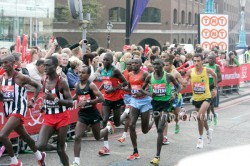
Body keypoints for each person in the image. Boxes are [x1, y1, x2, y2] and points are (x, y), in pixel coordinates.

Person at [0, 54, 46, 166]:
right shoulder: (2, 78)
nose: (4, 65)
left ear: (13, 63)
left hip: (19, 108)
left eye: (6, 62)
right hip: (8, 110)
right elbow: (3, 96)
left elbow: (38, 86)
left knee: (2, 136)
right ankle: (40, 156)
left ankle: (15, 161)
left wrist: (33, 100)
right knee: (25, 136)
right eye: (2, 63)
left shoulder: (20, 77)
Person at [71, 65, 115, 166]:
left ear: (88, 74)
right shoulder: (77, 85)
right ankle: (76, 162)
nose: (80, 74)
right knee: (77, 137)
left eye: (83, 73)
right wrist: (68, 100)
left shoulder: (91, 85)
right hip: (82, 115)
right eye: (79, 72)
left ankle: (108, 128)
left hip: (93, 114)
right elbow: (76, 96)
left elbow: (101, 98)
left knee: (98, 137)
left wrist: (88, 102)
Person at [36, 56, 73, 166]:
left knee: (60, 150)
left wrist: (54, 99)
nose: (45, 67)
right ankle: (50, 151)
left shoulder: (62, 82)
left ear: (55, 66)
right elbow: (45, 96)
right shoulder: (44, 79)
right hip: (49, 117)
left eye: (48, 65)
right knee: (39, 145)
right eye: (44, 65)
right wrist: (43, 105)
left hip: (62, 117)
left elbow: (70, 102)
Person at [143, 58, 180, 165]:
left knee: (160, 128)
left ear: (163, 65)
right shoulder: (150, 76)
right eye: (154, 64)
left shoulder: (168, 76)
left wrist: (174, 94)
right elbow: (142, 89)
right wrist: (150, 94)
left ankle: (157, 156)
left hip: (166, 104)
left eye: (158, 64)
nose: (156, 66)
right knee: (158, 126)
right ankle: (169, 117)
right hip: (155, 104)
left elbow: (178, 86)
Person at [186, 53, 217, 149]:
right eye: (195, 61)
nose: (196, 63)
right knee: (202, 118)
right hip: (196, 98)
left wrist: (215, 88)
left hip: (206, 97)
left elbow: (214, 75)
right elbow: (185, 81)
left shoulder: (206, 70)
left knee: (199, 116)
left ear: (202, 61)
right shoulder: (190, 71)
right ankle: (208, 131)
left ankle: (200, 139)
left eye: (198, 61)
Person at [99, 52, 128, 155]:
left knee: (117, 123)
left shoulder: (115, 71)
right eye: (104, 59)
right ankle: (106, 147)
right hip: (106, 99)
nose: (105, 61)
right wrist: (99, 90)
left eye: (107, 60)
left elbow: (125, 83)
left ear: (112, 61)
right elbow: (104, 81)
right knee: (105, 120)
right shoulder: (102, 70)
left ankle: (125, 113)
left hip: (116, 98)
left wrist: (113, 89)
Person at [126, 58, 154, 161]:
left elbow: (152, 86)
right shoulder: (129, 74)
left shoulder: (145, 74)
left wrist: (142, 93)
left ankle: (153, 121)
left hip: (145, 101)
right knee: (131, 125)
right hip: (134, 101)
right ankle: (135, 151)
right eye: (132, 63)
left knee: (145, 130)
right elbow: (130, 88)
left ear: (140, 64)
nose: (133, 65)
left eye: (136, 63)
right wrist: (123, 88)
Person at [163, 58, 186, 142]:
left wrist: (175, 93)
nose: (165, 67)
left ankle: (177, 123)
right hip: (166, 97)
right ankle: (165, 137)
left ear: (171, 65)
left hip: (176, 97)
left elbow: (183, 85)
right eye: (164, 65)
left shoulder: (176, 73)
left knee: (176, 114)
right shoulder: (162, 73)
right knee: (165, 117)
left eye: (167, 65)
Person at [117, 58, 132, 143]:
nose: (129, 66)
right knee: (128, 116)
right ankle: (124, 135)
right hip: (127, 95)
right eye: (128, 64)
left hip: (136, 96)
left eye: (131, 64)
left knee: (130, 116)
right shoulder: (124, 72)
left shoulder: (136, 73)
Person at [206, 54, 222, 125]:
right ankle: (214, 115)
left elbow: (220, 79)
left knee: (210, 103)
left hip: (213, 87)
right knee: (208, 103)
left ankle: (209, 118)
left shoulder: (217, 67)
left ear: (214, 60)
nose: (210, 60)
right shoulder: (205, 66)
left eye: (211, 59)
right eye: (209, 59)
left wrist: (212, 85)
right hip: (206, 87)